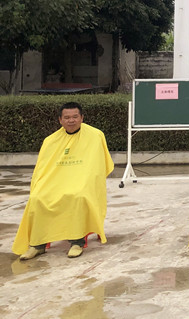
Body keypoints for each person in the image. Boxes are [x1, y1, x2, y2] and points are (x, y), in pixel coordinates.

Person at [14, 102, 115, 260]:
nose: (71, 120)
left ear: (82, 118)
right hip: (55, 182)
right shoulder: (50, 140)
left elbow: (97, 166)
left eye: (75, 117)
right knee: (37, 198)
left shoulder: (95, 136)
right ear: (60, 120)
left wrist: (85, 181)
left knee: (77, 196)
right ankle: (37, 244)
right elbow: (42, 168)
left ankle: (77, 242)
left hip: (82, 181)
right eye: (67, 117)